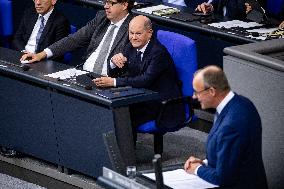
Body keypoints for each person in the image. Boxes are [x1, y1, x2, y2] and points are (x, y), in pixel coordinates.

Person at [94, 15, 184, 129]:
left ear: (150, 33)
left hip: (161, 103)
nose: (133, 37)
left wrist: (114, 82)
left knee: (121, 116)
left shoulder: (158, 53)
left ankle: (125, 146)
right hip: (140, 96)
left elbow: (144, 80)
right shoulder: (130, 47)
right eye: (131, 33)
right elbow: (116, 73)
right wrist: (113, 62)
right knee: (109, 108)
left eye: (138, 33)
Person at [184, 66, 268, 188]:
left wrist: (197, 169)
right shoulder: (242, 103)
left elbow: (222, 178)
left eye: (197, 92)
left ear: (212, 91)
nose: (194, 97)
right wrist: (204, 162)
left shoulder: (231, 125)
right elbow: (233, 155)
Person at [20, 0, 135, 76]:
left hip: (109, 79)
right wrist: (41, 54)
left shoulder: (134, 26)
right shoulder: (101, 17)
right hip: (84, 74)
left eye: (111, 3)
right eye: (105, 2)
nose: (106, 6)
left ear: (124, 5)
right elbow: (74, 39)